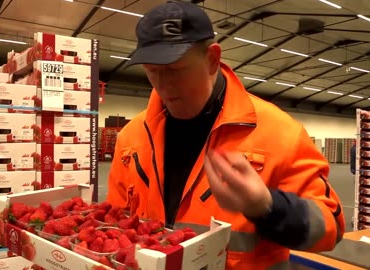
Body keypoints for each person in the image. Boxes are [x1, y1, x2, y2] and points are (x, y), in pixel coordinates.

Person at [107, 1, 345, 269]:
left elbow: (331, 227)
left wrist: (269, 207)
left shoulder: (280, 133)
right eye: (152, 72)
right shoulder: (131, 139)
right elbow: (114, 225)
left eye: (175, 70)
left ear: (212, 59)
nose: (163, 85)